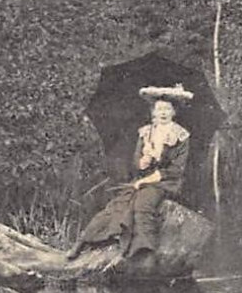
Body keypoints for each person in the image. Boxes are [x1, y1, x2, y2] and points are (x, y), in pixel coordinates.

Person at [69, 91, 192, 266]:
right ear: (153, 112)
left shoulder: (181, 136)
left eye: (167, 109)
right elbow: (136, 163)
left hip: (165, 182)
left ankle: (145, 252)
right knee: (117, 204)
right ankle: (84, 241)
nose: (163, 112)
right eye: (159, 109)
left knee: (143, 204)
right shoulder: (146, 133)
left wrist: (150, 173)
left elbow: (176, 170)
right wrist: (144, 161)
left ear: (174, 112)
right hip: (143, 180)